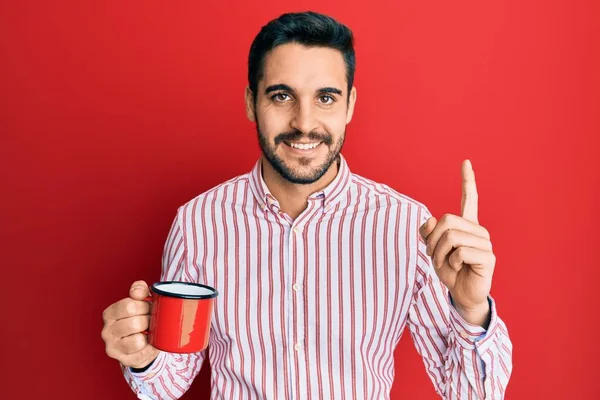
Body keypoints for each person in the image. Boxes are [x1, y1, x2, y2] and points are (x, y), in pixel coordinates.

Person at [101, 11, 512, 400]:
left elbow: (472, 393)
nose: (304, 121)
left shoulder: (406, 227)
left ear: (350, 104)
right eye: (282, 96)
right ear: (250, 103)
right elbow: (167, 384)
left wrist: (471, 309)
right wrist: (143, 357)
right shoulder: (198, 223)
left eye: (326, 98)